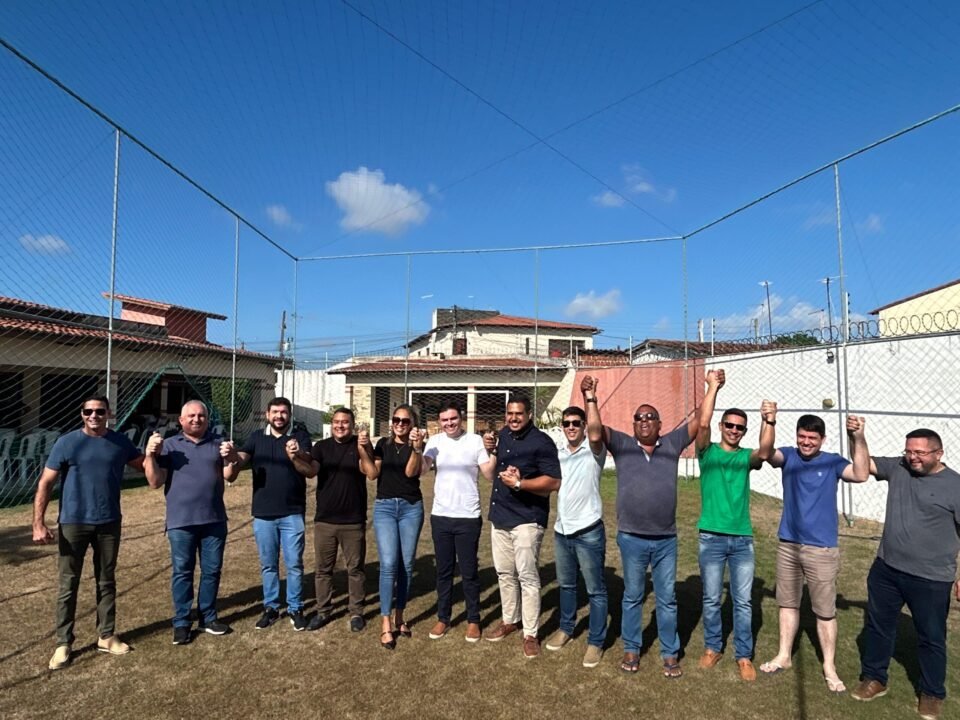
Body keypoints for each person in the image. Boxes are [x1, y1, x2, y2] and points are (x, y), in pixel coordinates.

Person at [584, 373, 709, 678]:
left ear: (659, 424)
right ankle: (631, 648)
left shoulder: (672, 442)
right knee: (632, 595)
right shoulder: (623, 443)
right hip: (631, 538)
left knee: (667, 598)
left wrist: (712, 387)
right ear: (634, 423)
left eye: (650, 417)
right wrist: (591, 398)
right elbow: (595, 433)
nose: (644, 421)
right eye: (639, 417)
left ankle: (669, 652)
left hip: (666, 539)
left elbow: (701, 425)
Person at [850, 428, 960, 720]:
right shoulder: (898, 468)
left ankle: (932, 693)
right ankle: (875, 678)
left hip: (932, 578)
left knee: (931, 637)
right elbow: (864, 465)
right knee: (878, 627)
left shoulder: (955, 486)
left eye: (920, 452)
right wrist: (857, 436)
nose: (912, 457)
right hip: (887, 569)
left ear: (938, 453)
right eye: (908, 451)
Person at [758, 413, 870, 692]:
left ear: (822, 439)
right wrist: (768, 421)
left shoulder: (832, 461)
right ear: (797, 436)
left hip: (822, 547)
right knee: (788, 603)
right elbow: (766, 453)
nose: (806, 442)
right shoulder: (788, 456)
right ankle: (784, 656)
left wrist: (857, 437)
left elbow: (861, 473)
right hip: (788, 544)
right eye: (802, 436)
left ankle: (829, 666)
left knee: (824, 610)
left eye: (812, 438)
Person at [32, 396, 145, 670]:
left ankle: (106, 636)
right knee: (68, 584)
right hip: (73, 523)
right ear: (82, 414)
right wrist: (38, 523)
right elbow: (46, 482)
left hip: (109, 522)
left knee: (106, 580)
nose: (93, 415)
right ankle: (63, 643)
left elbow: (145, 465)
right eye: (88, 411)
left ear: (109, 413)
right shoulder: (67, 443)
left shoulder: (120, 443)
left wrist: (159, 452)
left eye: (99, 411)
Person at [694, 370, 776, 681]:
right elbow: (701, 425)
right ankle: (713, 647)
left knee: (743, 601)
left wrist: (769, 421)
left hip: (742, 539)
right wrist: (713, 387)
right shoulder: (707, 452)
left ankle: (744, 656)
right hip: (711, 537)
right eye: (729, 425)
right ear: (721, 426)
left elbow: (765, 452)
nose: (733, 430)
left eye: (739, 428)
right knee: (712, 598)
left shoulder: (745, 458)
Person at [143, 400, 241, 645]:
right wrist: (150, 455)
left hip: (214, 520)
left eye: (201, 416)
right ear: (181, 420)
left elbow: (231, 476)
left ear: (207, 419)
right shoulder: (169, 446)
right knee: (182, 572)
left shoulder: (218, 445)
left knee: (211, 571)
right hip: (181, 522)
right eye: (191, 416)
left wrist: (231, 459)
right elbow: (155, 482)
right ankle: (182, 622)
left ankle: (208, 617)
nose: (196, 420)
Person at [223, 397, 312, 631]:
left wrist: (297, 453)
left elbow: (309, 464)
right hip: (263, 514)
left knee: (294, 564)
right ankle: (271, 607)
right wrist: (232, 456)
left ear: (290, 415)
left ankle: (295, 608)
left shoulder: (300, 436)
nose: (279, 416)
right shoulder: (256, 438)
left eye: (284, 412)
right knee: (268, 565)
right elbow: (239, 462)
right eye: (275, 412)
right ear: (267, 414)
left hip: (293, 512)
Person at [484, 394, 562, 659]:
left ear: (529, 414)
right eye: (510, 413)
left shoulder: (542, 442)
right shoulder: (504, 435)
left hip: (528, 519)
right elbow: (494, 466)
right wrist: (488, 448)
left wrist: (520, 484)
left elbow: (553, 482)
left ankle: (530, 633)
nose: (513, 418)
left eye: (518, 414)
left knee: (527, 577)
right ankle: (510, 620)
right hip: (500, 516)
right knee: (505, 573)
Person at [288, 407, 377, 632]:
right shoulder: (322, 447)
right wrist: (294, 458)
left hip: (353, 520)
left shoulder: (361, 444)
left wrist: (364, 448)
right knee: (323, 570)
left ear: (352, 424)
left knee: (355, 569)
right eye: (336, 422)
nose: (340, 426)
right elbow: (309, 471)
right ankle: (323, 611)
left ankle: (356, 612)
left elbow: (371, 473)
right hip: (325, 520)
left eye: (345, 422)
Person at [421, 403, 496, 642]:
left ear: (461, 418)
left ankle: (473, 619)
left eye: (453, 418)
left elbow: (488, 475)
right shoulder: (434, 441)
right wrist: (417, 447)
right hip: (441, 515)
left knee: (469, 571)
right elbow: (422, 470)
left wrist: (493, 451)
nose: (449, 423)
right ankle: (444, 617)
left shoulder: (475, 441)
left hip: (468, 517)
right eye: (444, 420)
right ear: (439, 422)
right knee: (443, 572)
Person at [545, 389, 607, 669]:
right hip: (562, 530)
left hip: (589, 531)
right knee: (567, 585)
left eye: (576, 423)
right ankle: (566, 629)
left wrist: (590, 397)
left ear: (583, 426)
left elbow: (596, 432)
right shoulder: (557, 454)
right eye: (567, 424)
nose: (571, 428)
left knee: (595, 590)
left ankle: (595, 642)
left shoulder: (594, 450)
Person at [369, 405, 425, 649]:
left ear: (413, 424)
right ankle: (385, 623)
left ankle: (400, 616)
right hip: (385, 508)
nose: (400, 424)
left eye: (405, 421)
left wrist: (417, 448)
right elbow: (372, 473)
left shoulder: (418, 446)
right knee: (389, 563)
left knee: (407, 564)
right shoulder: (382, 444)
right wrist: (363, 449)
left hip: (411, 508)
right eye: (396, 420)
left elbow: (411, 472)